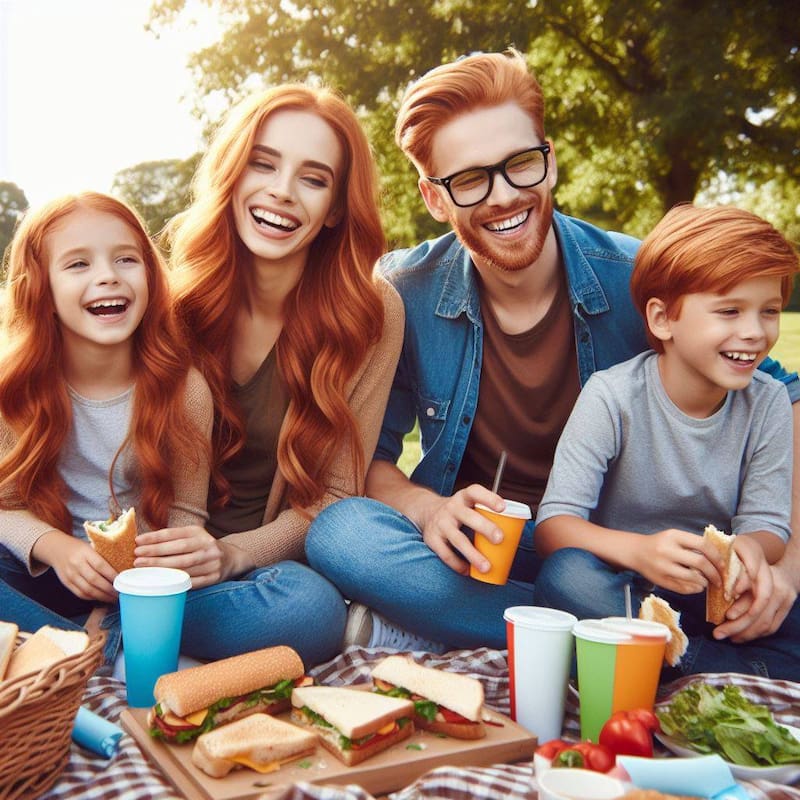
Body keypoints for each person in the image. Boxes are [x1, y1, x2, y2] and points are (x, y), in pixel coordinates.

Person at [304, 49, 800, 654]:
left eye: (519, 164)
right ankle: (628, 644)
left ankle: (502, 633)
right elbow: (367, 463)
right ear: (435, 199)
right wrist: (429, 510)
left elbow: (783, 393)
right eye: (468, 179)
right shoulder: (403, 294)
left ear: (551, 161)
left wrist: (788, 566)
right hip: (479, 556)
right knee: (339, 532)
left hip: (607, 556)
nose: (504, 196)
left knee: (580, 581)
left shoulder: (635, 276)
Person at [145, 84, 404, 666]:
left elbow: (335, 496)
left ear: (337, 207)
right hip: (152, 561)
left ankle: (117, 635)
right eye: (263, 164)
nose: (281, 192)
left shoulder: (369, 313)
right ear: (233, 175)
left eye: (314, 179)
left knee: (308, 611)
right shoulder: (169, 303)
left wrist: (233, 554)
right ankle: (120, 626)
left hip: (258, 577)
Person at [534, 204, 800, 680]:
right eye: (729, 311)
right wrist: (640, 551)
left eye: (770, 312)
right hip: (626, 582)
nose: (755, 332)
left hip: (713, 595)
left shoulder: (770, 403)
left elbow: (767, 526)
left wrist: (754, 551)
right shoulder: (612, 396)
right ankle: (714, 670)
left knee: (786, 607)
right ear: (662, 319)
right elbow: (556, 527)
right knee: (564, 578)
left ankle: (678, 664)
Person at [0, 191, 212, 665]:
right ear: (42, 290)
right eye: (77, 264)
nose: (107, 275)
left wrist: (171, 565)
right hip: (47, 581)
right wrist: (55, 549)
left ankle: (85, 642)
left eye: (125, 259)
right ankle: (90, 646)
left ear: (151, 277)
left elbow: (186, 512)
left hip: (151, 588)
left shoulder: (185, 389)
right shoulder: (14, 389)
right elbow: (4, 509)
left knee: (306, 605)